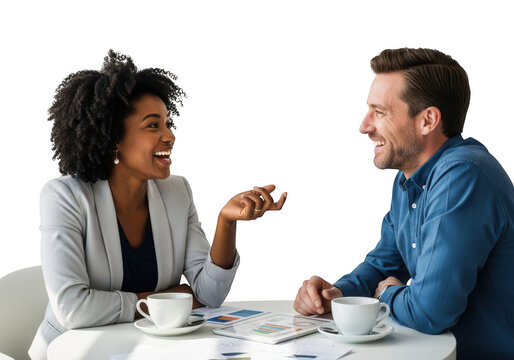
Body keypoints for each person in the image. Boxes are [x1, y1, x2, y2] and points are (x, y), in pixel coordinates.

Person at [29, 50, 287, 360]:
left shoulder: (176, 191)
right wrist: (162, 300)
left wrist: (226, 222)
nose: (170, 135)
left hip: (151, 351)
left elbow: (210, 295)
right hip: (75, 351)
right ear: (114, 139)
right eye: (153, 126)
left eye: (167, 122)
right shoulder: (64, 197)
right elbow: (74, 308)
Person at [294, 48, 513, 359]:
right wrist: (338, 296)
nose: (365, 126)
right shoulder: (411, 180)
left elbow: (431, 311)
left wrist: (387, 294)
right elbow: (384, 263)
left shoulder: (462, 176)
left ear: (428, 120)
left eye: (379, 112)